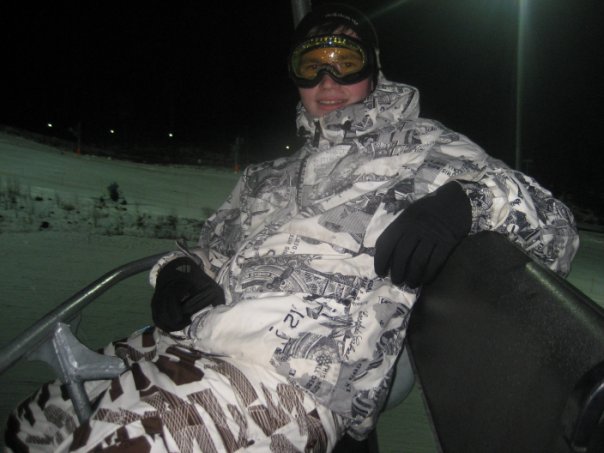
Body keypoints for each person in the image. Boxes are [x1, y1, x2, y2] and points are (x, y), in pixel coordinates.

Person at [6, 4, 579, 452]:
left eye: (345, 62)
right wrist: (178, 271)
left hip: (292, 374)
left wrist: (465, 202)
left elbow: (557, 231)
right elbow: (212, 246)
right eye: (311, 65)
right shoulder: (269, 175)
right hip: (192, 340)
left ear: (374, 70)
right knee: (34, 422)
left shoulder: (427, 147)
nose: (328, 80)